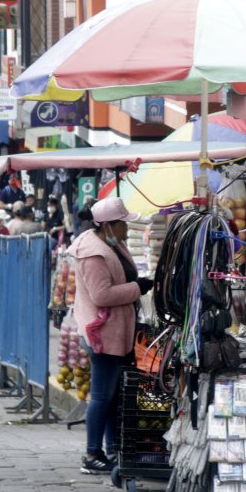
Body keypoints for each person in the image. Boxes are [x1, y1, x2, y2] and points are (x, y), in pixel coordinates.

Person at [69, 198, 154, 474]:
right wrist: (137, 288)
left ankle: (111, 450)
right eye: (122, 224)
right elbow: (101, 295)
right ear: (108, 225)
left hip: (116, 330)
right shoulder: (94, 253)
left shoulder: (110, 244)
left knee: (113, 395)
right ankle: (92, 454)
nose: (127, 229)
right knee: (102, 396)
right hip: (102, 333)